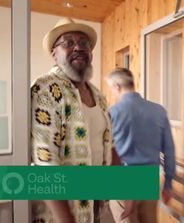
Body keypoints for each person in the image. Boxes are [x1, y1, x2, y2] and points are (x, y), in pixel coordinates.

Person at [31, 18, 113, 223]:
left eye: (84, 43)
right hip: (60, 212)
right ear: (54, 54)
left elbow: (108, 146)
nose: (78, 47)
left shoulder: (99, 96)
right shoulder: (46, 88)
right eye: (67, 42)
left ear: (91, 53)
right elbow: (45, 161)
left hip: (93, 204)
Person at [106, 68, 176, 223]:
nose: (112, 93)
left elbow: (108, 151)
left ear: (117, 86)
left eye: (111, 89)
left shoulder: (113, 112)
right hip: (148, 178)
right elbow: (169, 150)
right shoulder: (158, 111)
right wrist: (168, 183)